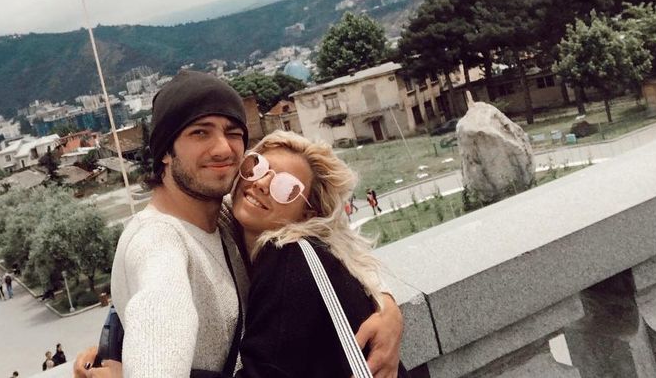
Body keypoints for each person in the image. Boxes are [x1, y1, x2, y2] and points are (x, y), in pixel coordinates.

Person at [75, 71, 403, 378]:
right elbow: (157, 314)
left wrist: (387, 306)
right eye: (200, 132)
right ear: (165, 151)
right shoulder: (159, 243)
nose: (222, 148)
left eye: (233, 133)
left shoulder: (229, 215)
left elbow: (331, 237)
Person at [229, 131, 409, 377]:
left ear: (307, 213)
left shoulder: (286, 259)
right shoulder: (313, 252)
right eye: (256, 166)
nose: (261, 183)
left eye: (285, 186)